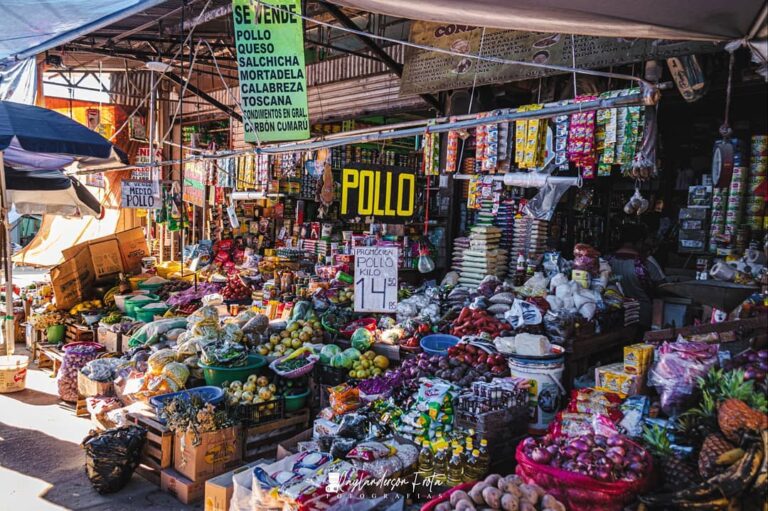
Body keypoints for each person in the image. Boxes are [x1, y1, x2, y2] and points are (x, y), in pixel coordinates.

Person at [607, 223, 665, 328]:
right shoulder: (646, 262)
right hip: (642, 316)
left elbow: (610, 281)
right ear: (640, 241)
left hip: (616, 315)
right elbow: (662, 287)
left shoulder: (608, 260)